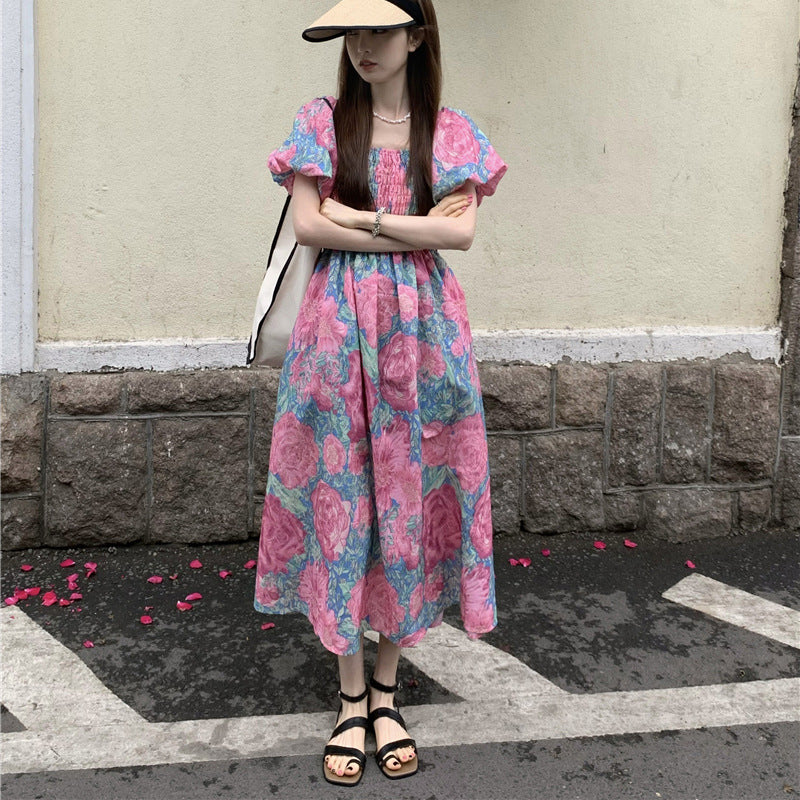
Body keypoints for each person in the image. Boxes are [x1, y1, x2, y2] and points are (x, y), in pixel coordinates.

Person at [252, 0, 507, 786]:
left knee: (409, 503)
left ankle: (389, 693)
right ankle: (350, 697)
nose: (363, 47)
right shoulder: (322, 122)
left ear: (418, 36)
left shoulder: (450, 130)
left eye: (381, 31)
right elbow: (306, 227)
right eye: (352, 34)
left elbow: (459, 234)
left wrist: (359, 217)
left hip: (426, 347)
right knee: (344, 499)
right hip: (335, 341)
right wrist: (408, 222)